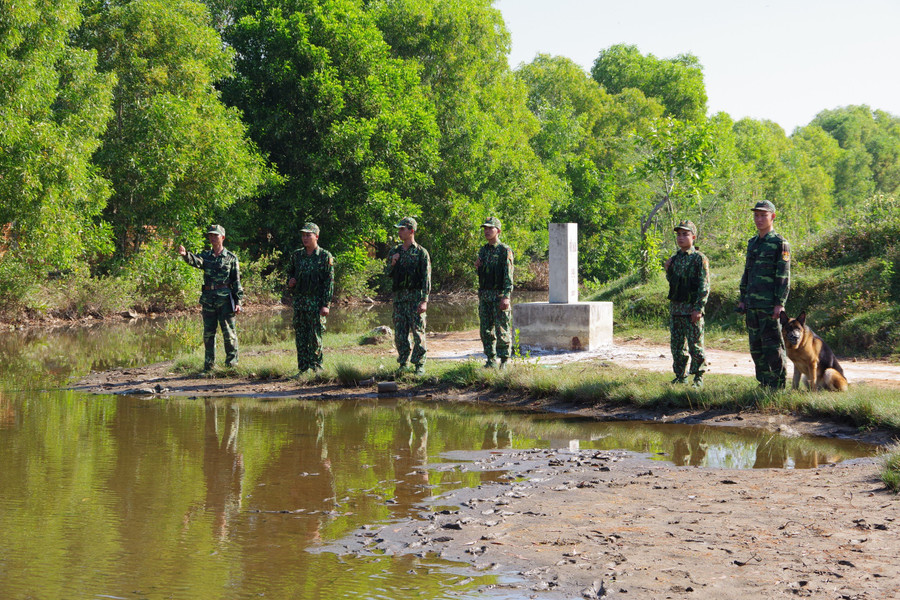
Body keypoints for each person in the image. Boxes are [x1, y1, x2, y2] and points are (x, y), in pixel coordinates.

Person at [738, 200, 791, 389]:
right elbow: (747, 272)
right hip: (752, 303)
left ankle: (778, 384)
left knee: (772, 345)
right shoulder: (752, 243)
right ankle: (764, 382)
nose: (759, 219)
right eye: (756, 215)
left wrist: (780, 303)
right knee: (756, 347)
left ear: (772, 217)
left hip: (769, 305)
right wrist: (742, 298)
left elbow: (783, 275)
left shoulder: (779, 243)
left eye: (763, 215)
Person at [178, 224, 244, 370]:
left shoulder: (231, 258)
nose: (213, 237)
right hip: (208, 300)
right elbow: (196, 261)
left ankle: (231, 366)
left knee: (229, 334)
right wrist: (185, 255)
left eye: (216, 235)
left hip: (225, 300)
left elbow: (236, 281)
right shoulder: (206, 256)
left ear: (223, 237)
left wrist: (238, 302)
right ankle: (209, 366)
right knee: (208, 334)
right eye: (211, 235)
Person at [664, 220, 710, 387]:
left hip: (692, 310)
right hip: (676, 310)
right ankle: (680, 377)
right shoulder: (675, 259)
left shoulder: (699, 258)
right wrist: (668, 269)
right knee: (677, 347)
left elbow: (704, 286)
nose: (681, 237)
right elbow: (674, 283)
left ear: (693, 237)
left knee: (695, 346)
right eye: (678, 234)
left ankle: (698, 378)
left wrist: (698, 308)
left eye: (685, 234)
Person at [286, 223, 334, 375]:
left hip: (316, 303)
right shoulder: (297, 255)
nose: (305, 238)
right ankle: (303, 369)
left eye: (308, 235)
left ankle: (316, 368)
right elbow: (289, 273)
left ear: (316, 236)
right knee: (301, 337)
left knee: (315, 337)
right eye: (303, 235)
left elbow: (329, 282)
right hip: (300, 303)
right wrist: (290, 282)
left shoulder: (325, 256)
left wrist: (326, 304)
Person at [386, 217, 431, 375]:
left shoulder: (421, 252)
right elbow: (387, 273)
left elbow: (426, 278)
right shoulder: (394, 251)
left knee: (418, 332)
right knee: (400, 334)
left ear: (411, 231)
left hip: (415, 299)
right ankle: (403, 362)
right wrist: (393, 263)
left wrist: (424, 300)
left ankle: (419, 364)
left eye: (402, 229)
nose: (399, 232)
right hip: (399, 300)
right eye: (398, 229)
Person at [475, 217, 513, 368]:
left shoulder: (504, 250)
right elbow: (483, 275)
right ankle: (490, 359)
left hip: (499, 296)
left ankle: (504, 360)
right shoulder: (483, 250)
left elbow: (508, 276)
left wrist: (506, 296)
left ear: (498, 231)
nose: (487, 231)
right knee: (485, 330)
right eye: (485, 228)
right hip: (485, 296)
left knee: (501, 329)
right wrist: (478, 268)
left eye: (490, 228)